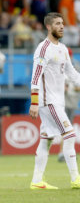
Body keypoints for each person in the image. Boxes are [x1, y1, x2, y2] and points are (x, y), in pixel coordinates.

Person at [29, 12, 80, 190]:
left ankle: (36, 181)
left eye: (62, 23)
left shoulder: (63, 49)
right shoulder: (44, 49)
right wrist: (34, 102)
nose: (62, 26)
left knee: (46, 139)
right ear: (48, 27)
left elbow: (72, 74)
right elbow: (35, 77)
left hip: (57, 101)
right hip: (47, 100)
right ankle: (76, 179)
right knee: (70, 134)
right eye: (57, 23)